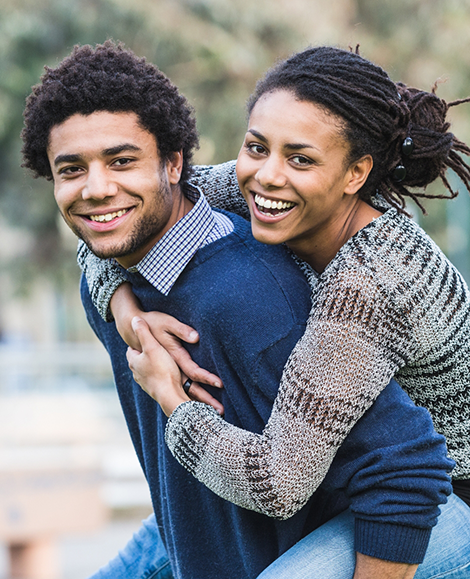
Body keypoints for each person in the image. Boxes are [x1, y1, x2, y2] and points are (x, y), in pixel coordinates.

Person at [20, 41, 461, 579]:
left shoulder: (363, 287)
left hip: (440, 498)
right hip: (315, 473)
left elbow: (291, 481)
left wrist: (171, 396)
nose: (268, 175)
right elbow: (113, 217)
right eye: (257, 147)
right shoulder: (252, 184)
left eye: (300, 157)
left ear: (355, 174)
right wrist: (128, 314)